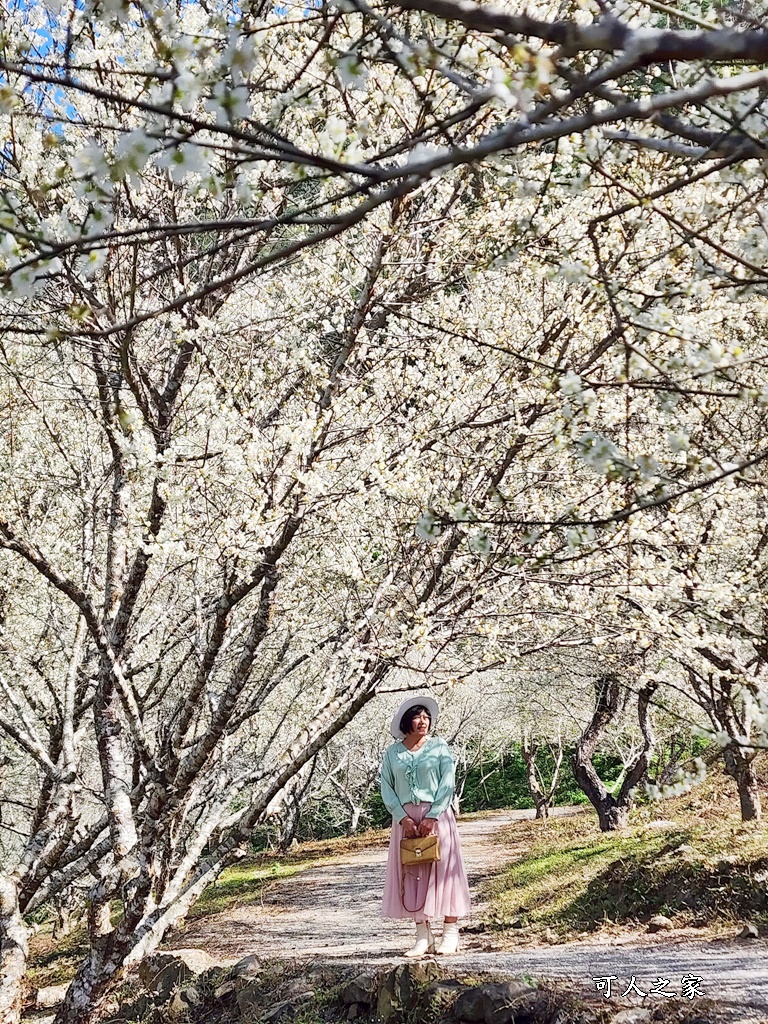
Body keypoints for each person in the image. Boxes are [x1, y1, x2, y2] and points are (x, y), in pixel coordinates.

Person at [380, 695, 471, 957]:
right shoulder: (392, 753)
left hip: (437, 816)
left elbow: (447, 782)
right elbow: (386, 785)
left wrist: (433, 815)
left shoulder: (439, 746)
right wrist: (402, 817)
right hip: (405, 820)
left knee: (443, 871)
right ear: (407, 721)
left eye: (426, 717)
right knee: (413, 874)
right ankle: (422, 935)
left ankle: (451, 934)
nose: (423, 722)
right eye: (418, 717)